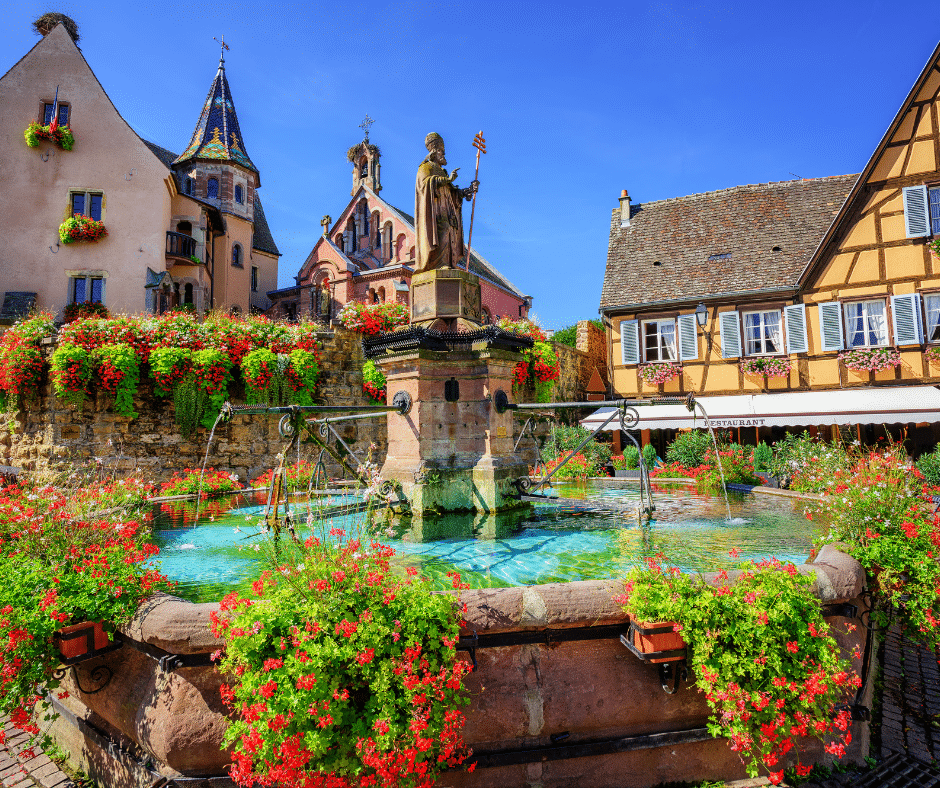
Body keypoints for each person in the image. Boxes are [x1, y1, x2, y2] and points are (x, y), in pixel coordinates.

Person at [414, 132, 478, 273]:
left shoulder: (443, 172)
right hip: (435, 211)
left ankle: (448, 264)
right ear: (433, 152)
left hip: (448, 210)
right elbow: (424, 184)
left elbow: (452, 193)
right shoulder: (425, 167)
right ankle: (439, 264)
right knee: (442, 230)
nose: (444, 154)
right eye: (441, 151)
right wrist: (448, 180)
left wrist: (469, 190)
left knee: (450, 233)